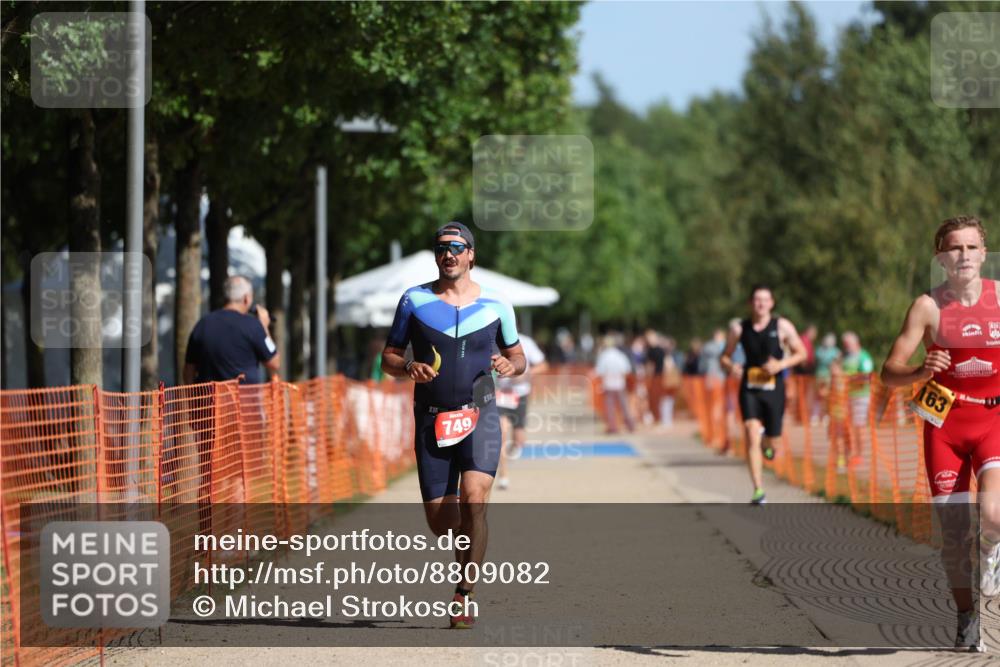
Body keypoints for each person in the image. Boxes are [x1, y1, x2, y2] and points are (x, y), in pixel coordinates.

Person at [381, 222, 526, 629]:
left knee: (474, 499)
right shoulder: (414, 300)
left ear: (471, 255)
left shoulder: (498, 304)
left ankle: (465, 593)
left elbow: (519, 357)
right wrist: (408, 366)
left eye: (457, 247)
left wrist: (508, 365)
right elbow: (387, 358)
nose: (449, 254)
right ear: (435, 255)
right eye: (442, 248)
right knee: (443, 523)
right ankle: (463, 539)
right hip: (432, 419)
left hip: (480, 414)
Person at [881, 215, 1000, 652]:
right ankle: (967, 616)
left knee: (994, 514)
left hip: (994, 420)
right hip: (944, 424)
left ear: (984, 254)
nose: (963, 255)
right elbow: (887, 372)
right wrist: (919, 369)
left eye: (971, 247)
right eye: (954, 248)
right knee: (954, 535)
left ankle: (993, 552)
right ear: (941, 258)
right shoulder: (927, 306)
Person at [721, 284, 807, 504]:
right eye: (757, 299)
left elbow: (802, 353)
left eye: (765, 300)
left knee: (773, 443)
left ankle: (766, 445)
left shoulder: (782, 326)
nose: (761, 304)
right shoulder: (739, 329)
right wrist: (732, 367)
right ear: (751, 303)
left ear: (771, 303)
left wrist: (781, 364)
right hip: (749, 388)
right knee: (750, 431)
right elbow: (725, 357)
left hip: (774, 389)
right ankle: (758, 490)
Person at [183, 275, 280, 384]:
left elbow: (189, 370)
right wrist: (264, 326)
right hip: (244, 400)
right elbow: (274, 362)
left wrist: (192, 400)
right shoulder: (253, 326)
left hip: (210, 400)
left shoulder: (202, 324)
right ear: (246, 298)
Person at [495, 333, 547, 489]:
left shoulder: (526, 341)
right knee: (501, 432)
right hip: (499, 394)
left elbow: (543, 365)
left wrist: (524, 376)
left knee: (519, 441)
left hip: (520, 394)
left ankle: (510, 453)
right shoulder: (491, 340)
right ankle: (503, 475)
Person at [840, 331, 875, 469]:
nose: (846, 346)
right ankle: (849, 454)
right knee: (847, 427)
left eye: (848, 344)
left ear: (856, 343)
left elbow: (866, 376)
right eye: (845, 344)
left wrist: (848, 378)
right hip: (846, 396)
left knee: (858, 426)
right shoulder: (844, 357)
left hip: (861, 396)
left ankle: (859, 455)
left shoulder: (863, 356)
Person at [594, 334, 635, 434]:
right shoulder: (620, 355)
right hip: (620, 383)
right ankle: (630, 424)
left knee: (610, 406)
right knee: (624, 405)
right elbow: (626, 369)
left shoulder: (604, 356)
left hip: (608, 384)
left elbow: (600, 371)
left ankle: (612, 427)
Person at [813, 333, 841, 423]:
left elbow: (838, 363)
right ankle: (816, 415)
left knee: (827, 397)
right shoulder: (819, 350)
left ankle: (826, 415)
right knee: (818, 396)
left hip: (830, 377)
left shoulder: (836, 351)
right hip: (819, 375)